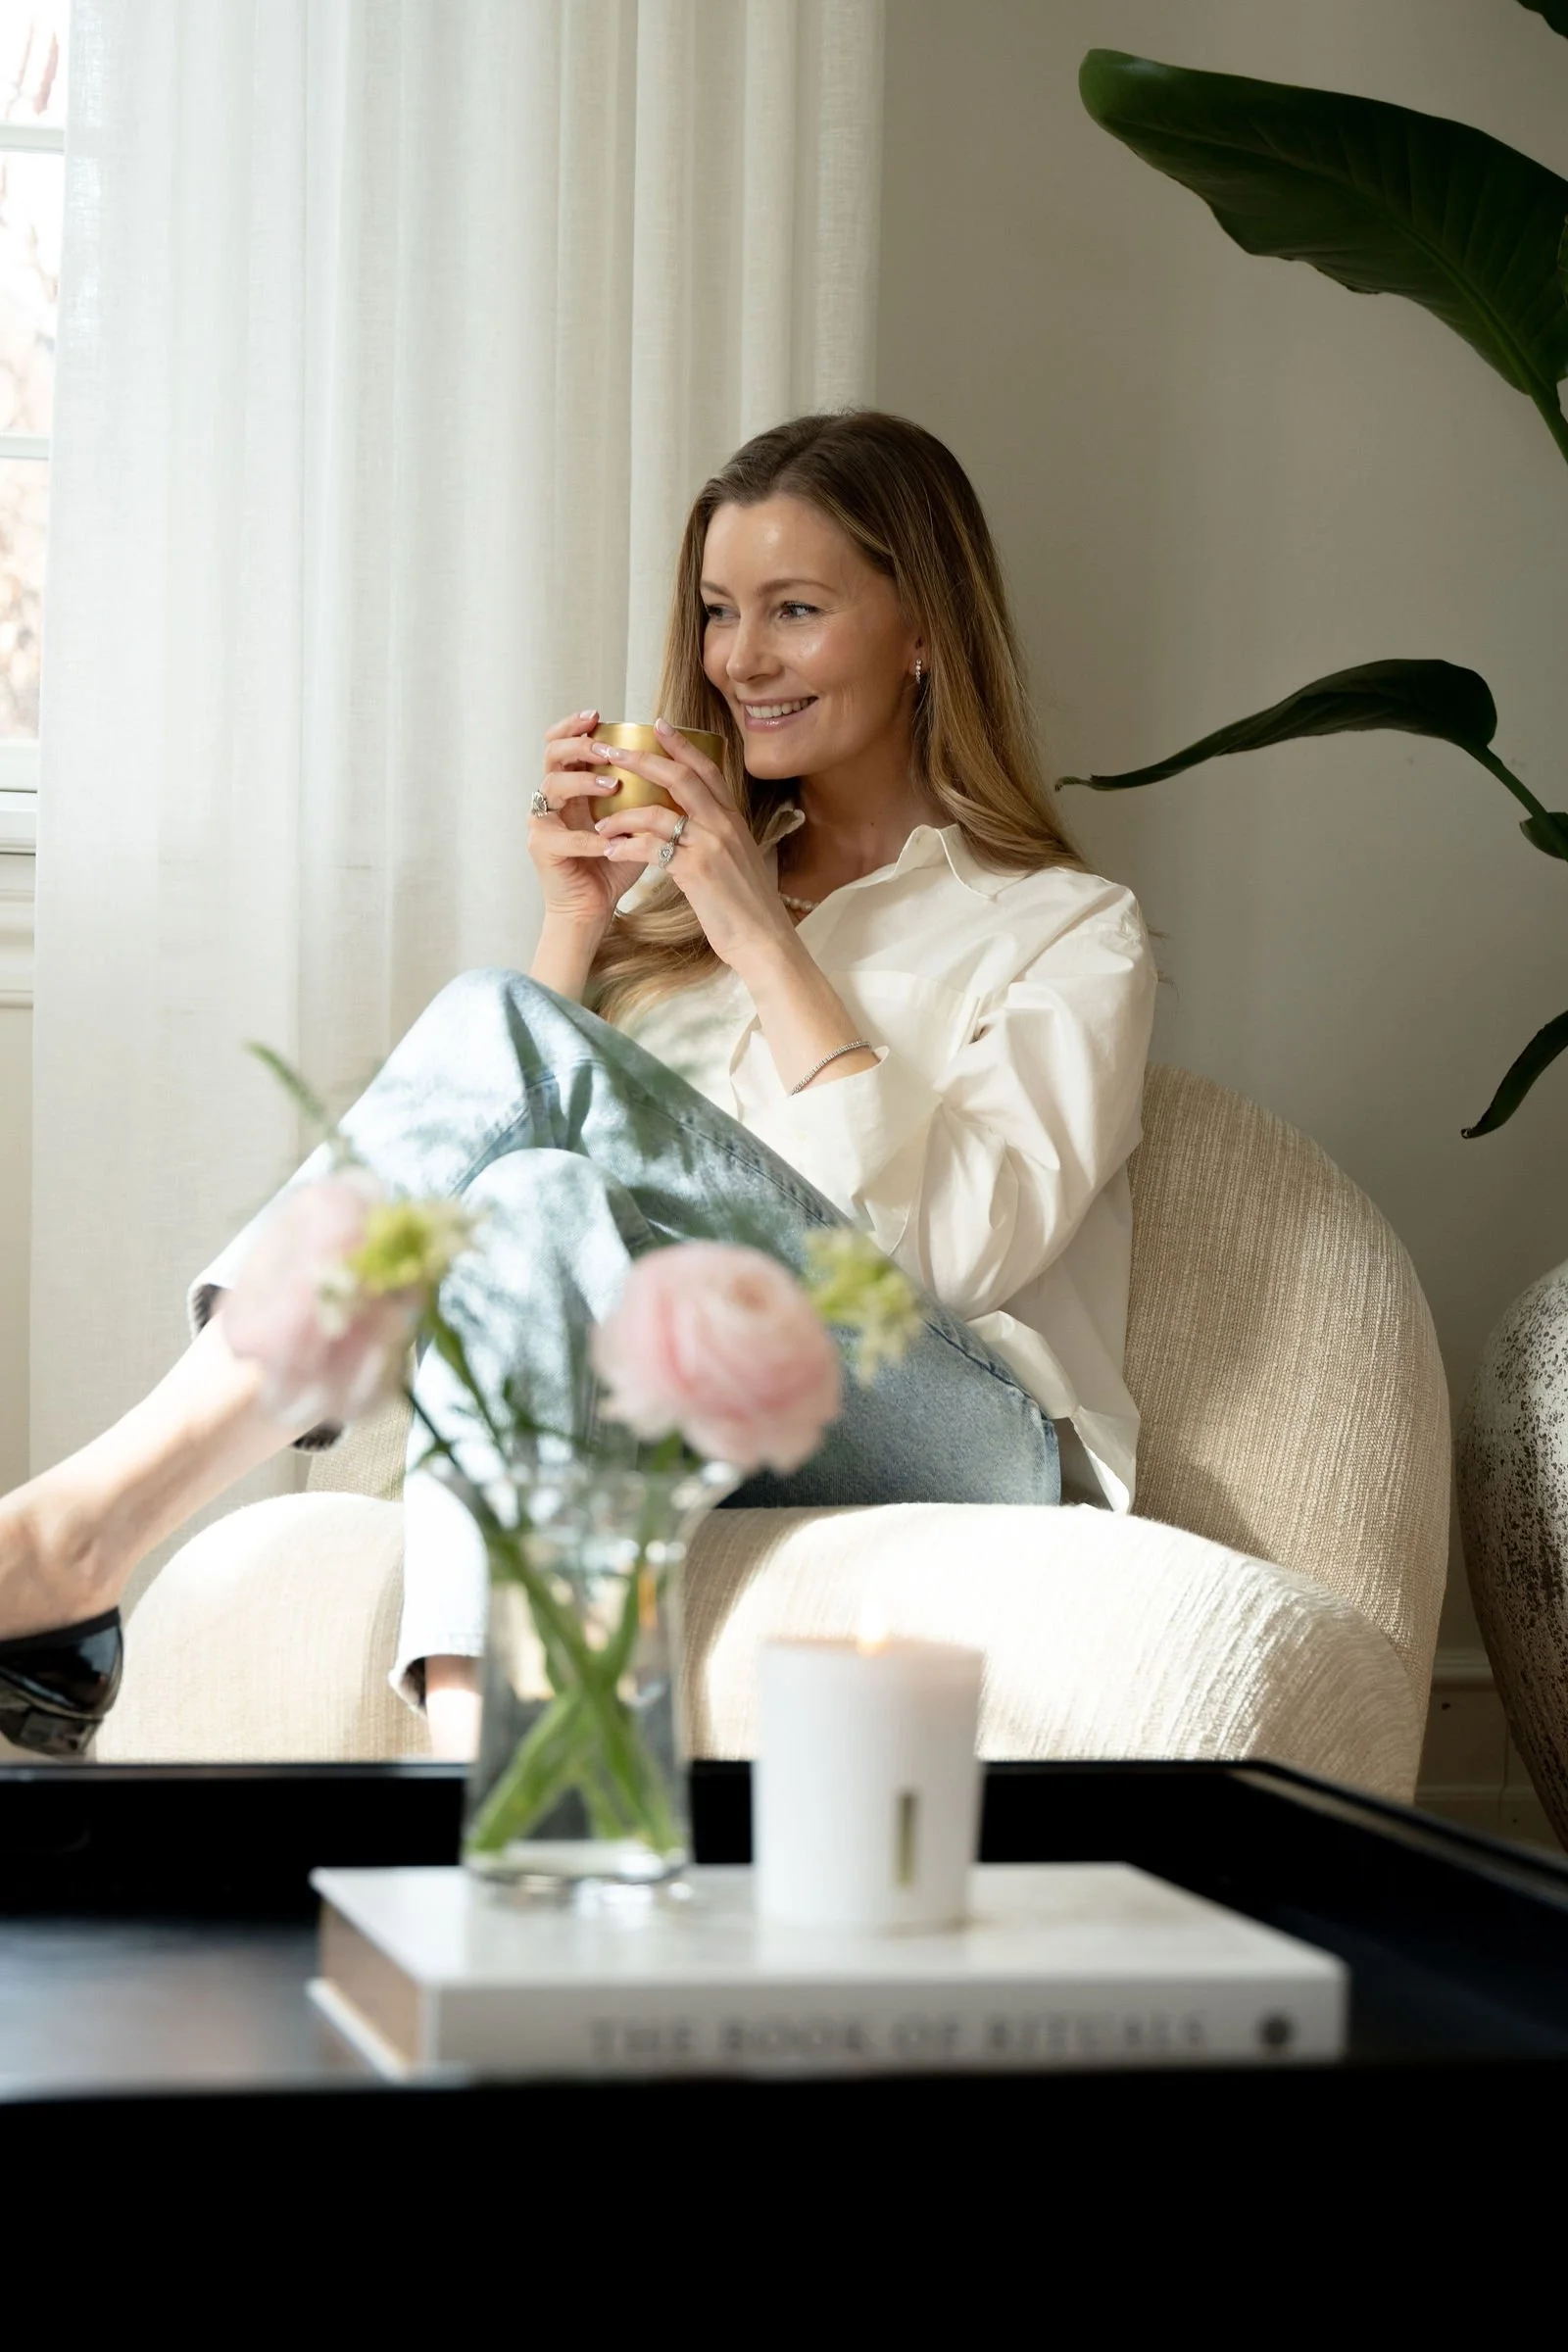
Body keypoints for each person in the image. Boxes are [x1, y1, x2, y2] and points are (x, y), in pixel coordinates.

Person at [0, 411, 1155, 1761]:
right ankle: (508, 1771)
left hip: (955, 1432)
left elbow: (952, 1260)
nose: (741, 659)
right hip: (685, 1382)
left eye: (795, 608)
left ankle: (83, 1529)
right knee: (539, 1192)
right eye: (721, 611)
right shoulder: (675, 925)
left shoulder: (1066, 928)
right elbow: (483, 1179)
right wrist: (579, 920)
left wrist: (765, 942)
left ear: (922, 631)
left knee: (515, 1063)